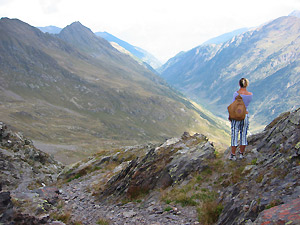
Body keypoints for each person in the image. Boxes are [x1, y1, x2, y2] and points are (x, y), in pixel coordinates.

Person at [229, 78, 253, 160]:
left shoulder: (236, 94)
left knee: (234, 134)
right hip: (245, 115)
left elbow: (233, 105)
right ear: (247, 84)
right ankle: (241, 154)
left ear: (239, 84)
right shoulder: (250, 95)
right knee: (243, 134)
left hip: (237, 115)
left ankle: (233, 154)